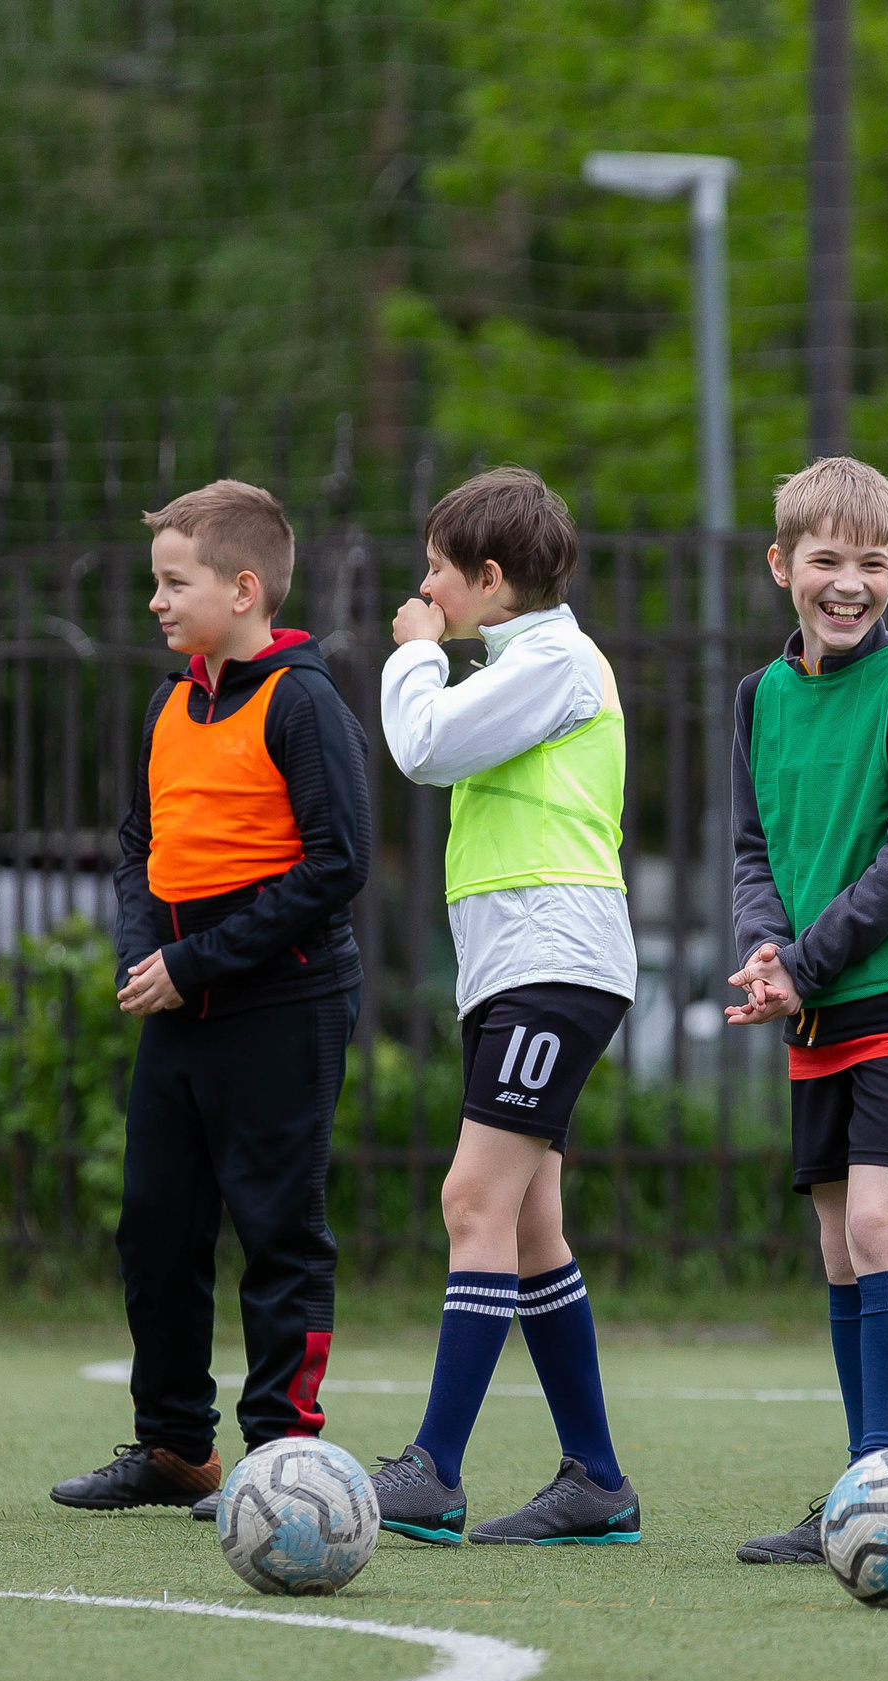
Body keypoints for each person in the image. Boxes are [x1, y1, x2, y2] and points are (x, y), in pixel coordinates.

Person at [53, 479, 371, 1521]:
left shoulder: (304, 701)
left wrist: (201, 962)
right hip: (179, 1009)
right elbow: (138, 848)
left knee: (279, 1227)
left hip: (285, 1004)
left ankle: (282, 1450)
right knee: (155, 1224)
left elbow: (337, 864)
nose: (155, 600)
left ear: (243, 589)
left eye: (172, 581)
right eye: (156, 582)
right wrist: (149, 955)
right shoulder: (169, 702)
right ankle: (175, 1447)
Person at [373, 465, 641, 1547]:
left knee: (469, 1201)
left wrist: (410, 653)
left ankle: (434, 1469)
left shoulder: (555, 660)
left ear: (488, 579)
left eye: (437, 571)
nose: (425, 588)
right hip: (515, 965)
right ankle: (597, 1482)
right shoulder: (521, 662)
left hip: (554, 963)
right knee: (529, 1224)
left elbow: (422, 745)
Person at [726, 456, 888, 1566]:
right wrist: (764, 949)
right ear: (782, 566)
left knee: (881, 1225)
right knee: (836, 1247)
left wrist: (807, 962)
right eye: (824, 560)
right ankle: (855, 1489)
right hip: (816, 1003)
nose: (848, 583)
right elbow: (752, 848)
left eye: (870, 563)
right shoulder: (757, 698)